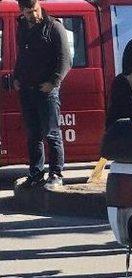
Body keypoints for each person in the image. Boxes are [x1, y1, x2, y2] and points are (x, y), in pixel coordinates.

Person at [13, 0, 71, 189]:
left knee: (52, 134)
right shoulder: (21, 27)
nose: (34, 15)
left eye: (36, 10)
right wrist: (16, 77)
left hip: (46, 91)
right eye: (29, 12)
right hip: (27, 89)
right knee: (33, 135)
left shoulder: (54, 26)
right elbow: (22, 56)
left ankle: (56, 174)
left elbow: (65, 59)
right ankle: (36, 173)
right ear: (22, 11)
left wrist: (54, 82)